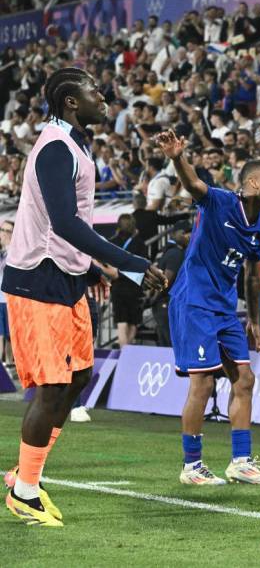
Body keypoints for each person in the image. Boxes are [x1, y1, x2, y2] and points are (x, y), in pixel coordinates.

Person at [2, 68, 165, 527]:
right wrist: (128, 265)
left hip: (66, 278)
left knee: (78, 380)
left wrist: (93, 269)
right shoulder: (55, 147)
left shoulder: (73, 143)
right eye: (95, 91)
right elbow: (65, 223)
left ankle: (23, 476)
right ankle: (26, 492)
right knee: (53, 387)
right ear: (71, 102)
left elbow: (70, 230)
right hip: (39, 279)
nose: (104, 96)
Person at [156, 129, 260, 487]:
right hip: (194, 300)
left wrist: (254, 319)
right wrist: (177, 157)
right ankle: (192, 467)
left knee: (245, 378)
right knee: (203, 382)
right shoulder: (221, 202)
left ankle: (240, 462)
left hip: (226, 308)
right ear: (253, 183)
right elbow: (194, 184)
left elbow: (253, 274)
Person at [109, 214, 148, 347]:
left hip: (118, 286)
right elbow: (144, 265)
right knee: (133, 321)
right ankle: (128, 350)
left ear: (118, 226)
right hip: (134, 286)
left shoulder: (111, 243)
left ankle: (123, 353)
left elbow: (105, 262)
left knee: (121, 321)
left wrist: (116, 273)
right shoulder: (140, 243)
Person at [152, 220, 192, 347]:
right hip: (167, 304)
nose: (189, 236)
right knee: (172, 345)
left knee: (168, 344)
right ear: (175, 234)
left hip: (166, 304)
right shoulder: (175, 253)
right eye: (185, 233)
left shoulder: (167, 251)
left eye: (190, 233)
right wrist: (153, 300)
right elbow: (165, 281)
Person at [0, 220, 14, 368]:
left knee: (10, 335)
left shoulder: (15, 251)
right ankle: (3, 365)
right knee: (1, 334)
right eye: (2, 230)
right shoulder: (2, 252)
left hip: (10, 300)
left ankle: (9, 363)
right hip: (0, 299)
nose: (4, 233)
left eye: (7, 231)